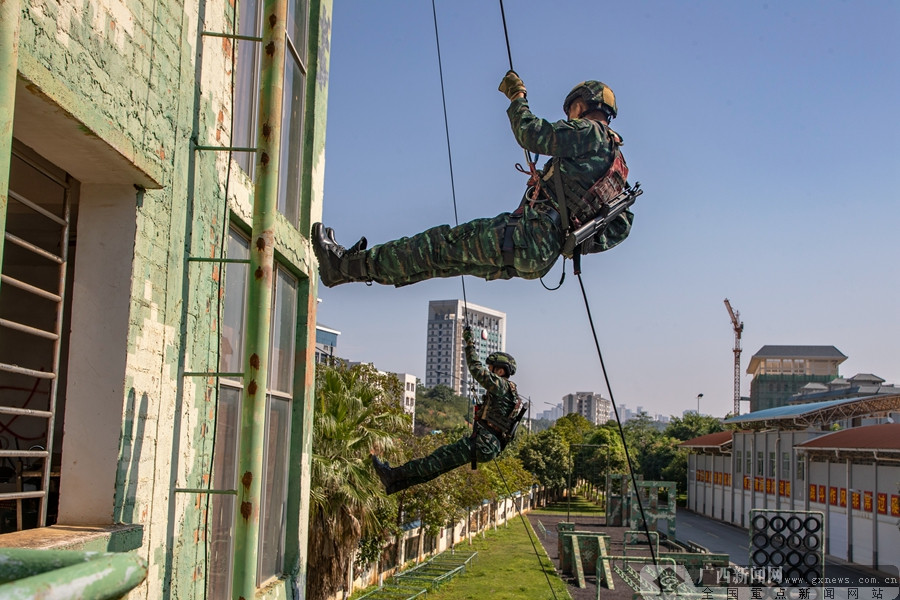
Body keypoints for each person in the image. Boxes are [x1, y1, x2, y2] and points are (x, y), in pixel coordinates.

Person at [312, 71, 635, 288]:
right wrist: (571, 240)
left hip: (526, 235)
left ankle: (342, 266)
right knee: (440, 262)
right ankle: (347, 271)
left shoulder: (590, 133)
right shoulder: (617, 166)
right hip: (539, 257)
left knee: (436, 245)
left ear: (581, 106)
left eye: (572, 109)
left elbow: (532, 134)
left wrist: (517, 97)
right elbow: (620, 226)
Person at [372, 326, 523, 495]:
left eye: (492, 368)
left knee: (436, 459)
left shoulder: (501, 385)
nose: (489, 371)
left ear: (500, 370)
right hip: (488, 446)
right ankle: (394, 483)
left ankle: (392, 474)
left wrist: (470, 344)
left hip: (483, 443)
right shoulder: (511, 393)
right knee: (438, 466)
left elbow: (475, 368)